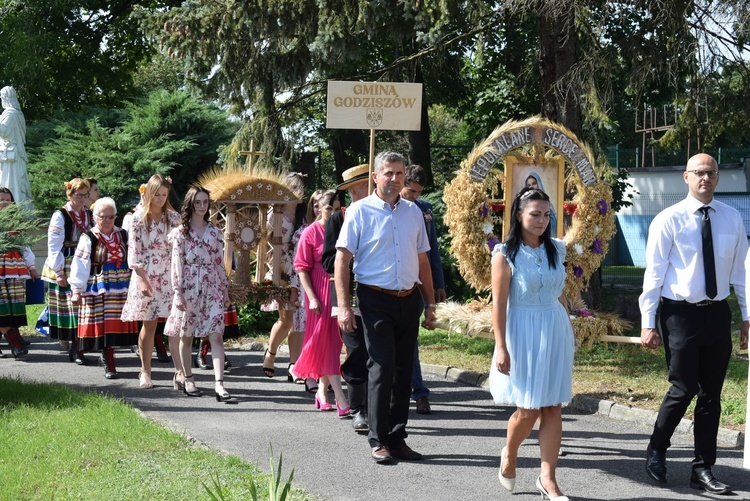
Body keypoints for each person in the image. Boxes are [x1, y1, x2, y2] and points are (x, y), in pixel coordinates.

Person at [639, 153, 748, 494]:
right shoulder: (668, 220)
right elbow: (654, 273)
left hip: (716, 313)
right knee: (683, 388)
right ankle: (657, 449)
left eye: (711, 173)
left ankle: (703, 468)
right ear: (686, 177)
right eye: (699, 172)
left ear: (718, 178)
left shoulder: (732, 219)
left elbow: (743, 272)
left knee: (711, 395)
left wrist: (747, 316)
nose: (705, 178)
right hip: (679, 314)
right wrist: (647, 321)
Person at [335, 151, 436, 464]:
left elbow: (423, 259)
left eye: (399, 173)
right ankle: (378, 440)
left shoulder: (414, 213)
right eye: (389, 173)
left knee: (404, 371)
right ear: (375, 177)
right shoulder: (359, 211)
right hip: (374, 297)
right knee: (381, 367)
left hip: (409, 298)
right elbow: (342, 259)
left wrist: (431, 302)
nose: (395, 179)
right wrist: (343, 306)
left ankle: (397, 437)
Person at [490, 187, 574, 500]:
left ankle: (548, 479)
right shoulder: (505, 254)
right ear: (519, 215)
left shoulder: (557, 248)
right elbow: (498, 304)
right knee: (528, 410)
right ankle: (509, 455)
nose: (541, 220)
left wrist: (570, 328)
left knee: (553, 406)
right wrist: (501, 346)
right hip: (521, 331)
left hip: (553, 328)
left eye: (546, 215)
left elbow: (560, 291)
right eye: (534, 214)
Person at [164, 186, 232, 400]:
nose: (202, 206)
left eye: (205, 202)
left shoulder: (214, 231)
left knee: (216, 335)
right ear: (191, 204)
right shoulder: (180, 233)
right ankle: (188, 378)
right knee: (187, 334)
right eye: (198, 202)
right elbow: (176, 264)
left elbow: (219, 263)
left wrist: (225, 288)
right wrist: (178, 292)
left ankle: (219, 384)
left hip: (211, 286)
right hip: (189, 286)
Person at [322, 163, 372, 432]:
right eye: (352, 189)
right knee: (356, 351)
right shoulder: (339, 218)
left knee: (378, 351)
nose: (357, 193)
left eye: (361, 187)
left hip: (378, 294)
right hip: (348, 297)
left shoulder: (384, 213)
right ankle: (358, 409)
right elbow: (328, 260)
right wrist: (352, 257)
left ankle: (378, 406)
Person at [121, 174, 180, 389]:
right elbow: (134, 253)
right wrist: (141, 280)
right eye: (157, 195)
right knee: (150, 323)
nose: (161, 199)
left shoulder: (174, 219)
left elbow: (181, 246)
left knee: (176, 323)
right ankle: (145, 370)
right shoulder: (137, 219)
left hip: (169, 275)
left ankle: (180, 371)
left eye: (165, 195)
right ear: (148, 194)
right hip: (146, 274)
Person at [292, 190, 349, 414]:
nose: (333, 213)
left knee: (334, 344)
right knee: (324, 343)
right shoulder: (310, 232)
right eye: (328, 209)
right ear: (318, 208)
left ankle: (321, 392)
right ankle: (341, 398)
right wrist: (313, 297)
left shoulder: (343, 231)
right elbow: (302, 269)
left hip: (339, 292)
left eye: (337, 209)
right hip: (318, 294)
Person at [69, 197, 139, 379]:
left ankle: (110, 357)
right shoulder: (88, 237)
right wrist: (76, 290)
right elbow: (80, 264)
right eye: (103, 216)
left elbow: (133, 259)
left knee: (117, 324)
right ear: (95, 217)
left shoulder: (123, 234)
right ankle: (107, 359)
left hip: (122, 285)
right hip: (99, 285)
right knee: (104, 326)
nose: (107, 220)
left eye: (111, 216)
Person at [399, 164, 446, 415]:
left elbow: (432, 250)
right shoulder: (391, 206)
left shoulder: (425, 210)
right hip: (395, 280)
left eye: (418, 192)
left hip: (421, 280)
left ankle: (419, 393)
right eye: (411, 190)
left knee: (411, 338)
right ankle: (410, 390)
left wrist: (438, 284)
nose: (413, 196)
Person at [41, 178, 92, 363]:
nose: (83, 198)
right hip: (66, 263)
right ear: (69, 194)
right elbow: (53, 246)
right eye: (79, 195)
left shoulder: (89, 213)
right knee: (70, 308)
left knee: (83, 306)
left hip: (83, 262)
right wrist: (59, 272)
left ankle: (80, 345)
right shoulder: (61, 215)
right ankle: (74, 347)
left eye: (86, 195)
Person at [261, 172, 306, 378]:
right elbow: (265, 246)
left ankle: (294, 365)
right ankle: (270, 353)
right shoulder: (275, 214)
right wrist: (274, 272)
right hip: (281, 270)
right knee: (286, 319)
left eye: (299, 189)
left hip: (300, 271)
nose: (296, 194)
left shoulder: (304, 214)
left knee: (299, 322)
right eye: (292, 189)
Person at [288, 189, 325, 387]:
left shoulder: (336, 228)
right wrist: (294, 290)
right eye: (316, 204)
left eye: (322, 204)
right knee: (307, 330)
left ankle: (322, 373)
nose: (319, 208)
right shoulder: (303, 232)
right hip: (306, 286)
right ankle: (307, 372)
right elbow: (297, 266)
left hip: (327, 285)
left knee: (324, 332)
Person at [0, 187, 36, 357]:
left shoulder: (15, 221)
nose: (5, 203)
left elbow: (24, 244)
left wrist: (31, 265)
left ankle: (15, 342)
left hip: (13, 267)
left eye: (8, 200)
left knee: (11, 306)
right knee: (1, 307)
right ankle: (15, 344)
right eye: (1, 200)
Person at [0, 86, 32, 205]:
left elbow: (3, 131)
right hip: (14, 154)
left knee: (10, 183)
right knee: (15, 183)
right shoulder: (18, 113)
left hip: (11, 156)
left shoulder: (10, 113)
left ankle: (13, 208)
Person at [525, 172, 558, 237]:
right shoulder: (523, 203)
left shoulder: (546, 202)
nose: (531, 187)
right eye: (529, 185)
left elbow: (553, 219)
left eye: (534, 183)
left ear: (538, 183)